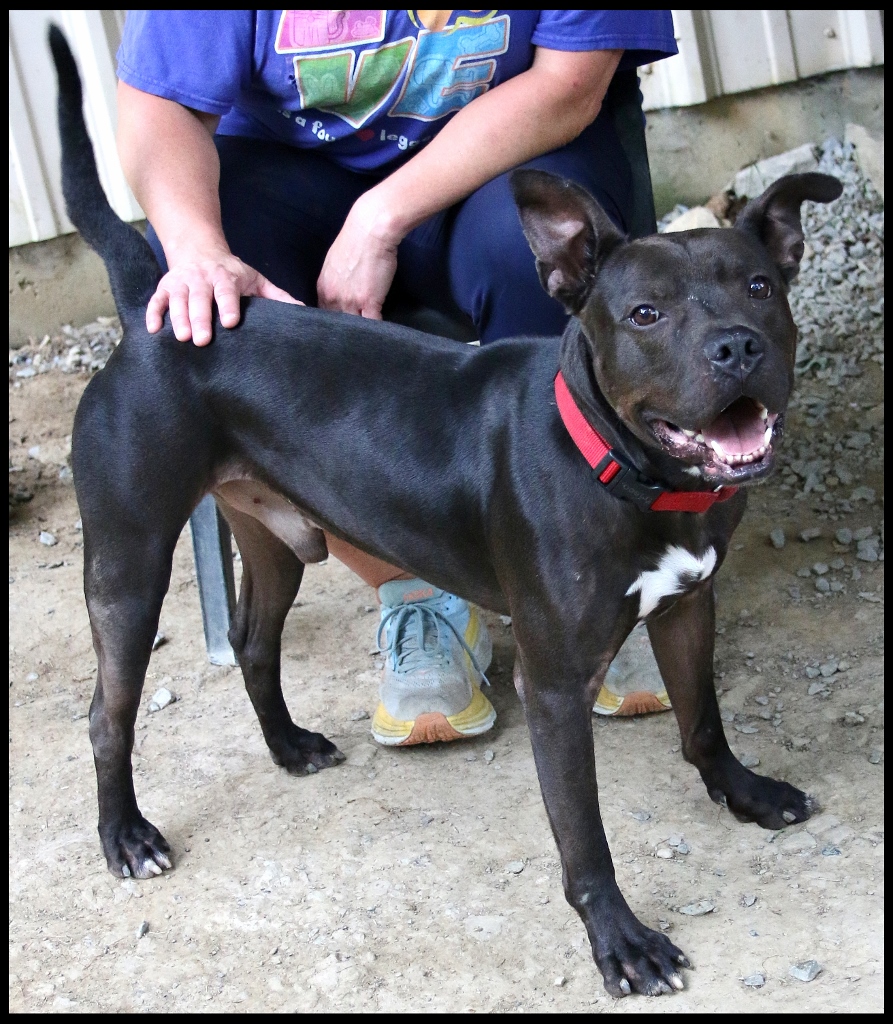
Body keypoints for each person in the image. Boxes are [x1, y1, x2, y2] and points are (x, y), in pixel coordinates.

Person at [115, 10, 678, 745]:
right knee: (213, 306)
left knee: (547, 259)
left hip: (504, 146)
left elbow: (569, 84)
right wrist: (198, 250)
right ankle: (414, 588)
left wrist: (379, 219)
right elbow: (159, 103)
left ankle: (601, 575)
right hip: (285, 168)